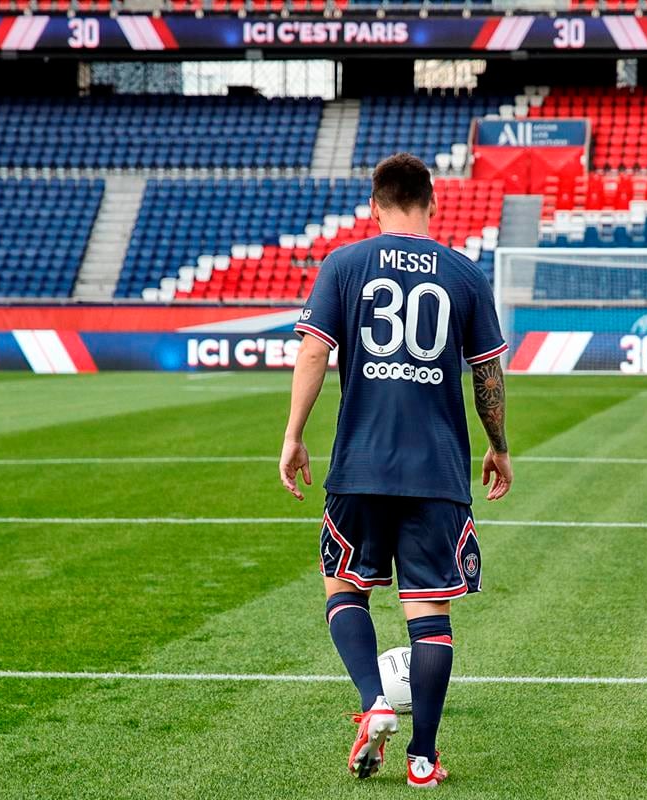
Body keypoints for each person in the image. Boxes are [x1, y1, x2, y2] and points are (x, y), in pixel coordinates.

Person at [279, 152, 512, 789]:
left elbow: (313, 352)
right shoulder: (464, 274)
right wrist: (499, 444)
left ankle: (373, 699)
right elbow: (487, 374)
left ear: (374, 205)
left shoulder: (343, 264)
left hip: (359, 464)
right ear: (432, 204)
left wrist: (295, 435)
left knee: (344, 589)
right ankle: (422, 758)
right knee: (429, 614)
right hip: (436, 471)